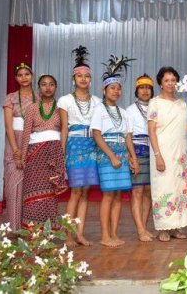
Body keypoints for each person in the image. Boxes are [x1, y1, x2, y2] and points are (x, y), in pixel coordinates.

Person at [91, 55, 140, 247]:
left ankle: (114, 233)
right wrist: (111, 156)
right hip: (107, 155)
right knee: (109, 194)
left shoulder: (124, 113)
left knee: (119, 195)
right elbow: (96, 135)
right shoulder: (99, 110)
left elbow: (128, 137)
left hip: (122, 154)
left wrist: (133, 159)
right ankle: (104, 236)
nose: (116, 91)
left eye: (119, 88)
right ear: (104, 90)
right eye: (112, 88)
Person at [59, 46, 101, 246]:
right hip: (75, 146)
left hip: (92, 146)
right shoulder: (65, 100)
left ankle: (80, 234)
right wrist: (62, 152)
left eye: (87, 76)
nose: (83, 79)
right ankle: (67, 235)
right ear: (73, 78)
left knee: (85, 191)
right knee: (75, 191)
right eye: (80, 76)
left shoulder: (98, 101)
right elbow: (64, 129)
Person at [148, 66, 187, 242]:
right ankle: (163, 229)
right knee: (163, 188)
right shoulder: (155, 103)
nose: (170, 83)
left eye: (173, 80)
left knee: (178, 189)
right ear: (160, 82)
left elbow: (183, 129)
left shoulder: (182, 104)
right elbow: (151, 130)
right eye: (166, 80)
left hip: (179, 154)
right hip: (162, 152)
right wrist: (158, 154)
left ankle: (175, 227)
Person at [21, 74, 67, 228]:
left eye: (51, 84)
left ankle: (48, 230)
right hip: (35, 154)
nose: (48, 87)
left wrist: (62, 152)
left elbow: (64, 131)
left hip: (54, 153)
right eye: (44, 84)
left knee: (50, 193)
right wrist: (22, 156)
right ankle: (32, 229)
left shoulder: (61, 109)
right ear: (38, 87)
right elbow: (26, 132)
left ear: (56, 87)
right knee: (33, 190)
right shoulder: (32, 108)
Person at [2, 62, 37, 232]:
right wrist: (16, 150)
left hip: (33, 141)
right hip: (14, 139)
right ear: (16, 78)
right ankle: (14, 229)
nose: (24, 78)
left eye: (27, 74)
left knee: (32, 185)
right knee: (14, 185)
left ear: (32, 76)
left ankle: (30, 226)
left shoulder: (38, 97)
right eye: (20, 75)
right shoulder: (10, 98)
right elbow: (8, 126)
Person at [126, 74, 155, 242]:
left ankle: (143, 227)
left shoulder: (156, 107)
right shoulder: (129, 110)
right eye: (142, 87)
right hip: (138, 150)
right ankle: (140, 229)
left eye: (148, 88)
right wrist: (132, 156)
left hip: (154, 151)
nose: (145, 91)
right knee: (137, 191)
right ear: (137, 90)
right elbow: (128, 135)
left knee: (149, 192)